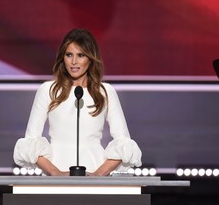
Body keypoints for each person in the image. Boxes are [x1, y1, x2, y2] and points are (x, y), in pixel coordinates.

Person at [13, 28, 142, 176]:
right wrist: (56, 173)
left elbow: (124, 143)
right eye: (69, 55)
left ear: (91, 58)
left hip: (95, 175)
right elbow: (31, 141)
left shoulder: (105, 92)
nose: (74, 62)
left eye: (80, 55)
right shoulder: (48, 90)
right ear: (63, 58)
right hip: (55, 177)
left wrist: (97, 176)